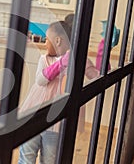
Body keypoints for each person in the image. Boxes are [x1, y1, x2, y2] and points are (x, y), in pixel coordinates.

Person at [18, 20, 99, 164]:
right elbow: (41, 80)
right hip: (34, 116)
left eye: (47, 40)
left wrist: (102, 55)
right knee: (26, 157)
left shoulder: (79, 60)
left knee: (49, 160)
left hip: (56, 124)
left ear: (58, 40)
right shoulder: (45, 59)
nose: (45, 44)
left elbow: (97, 78)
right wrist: (61, 64)